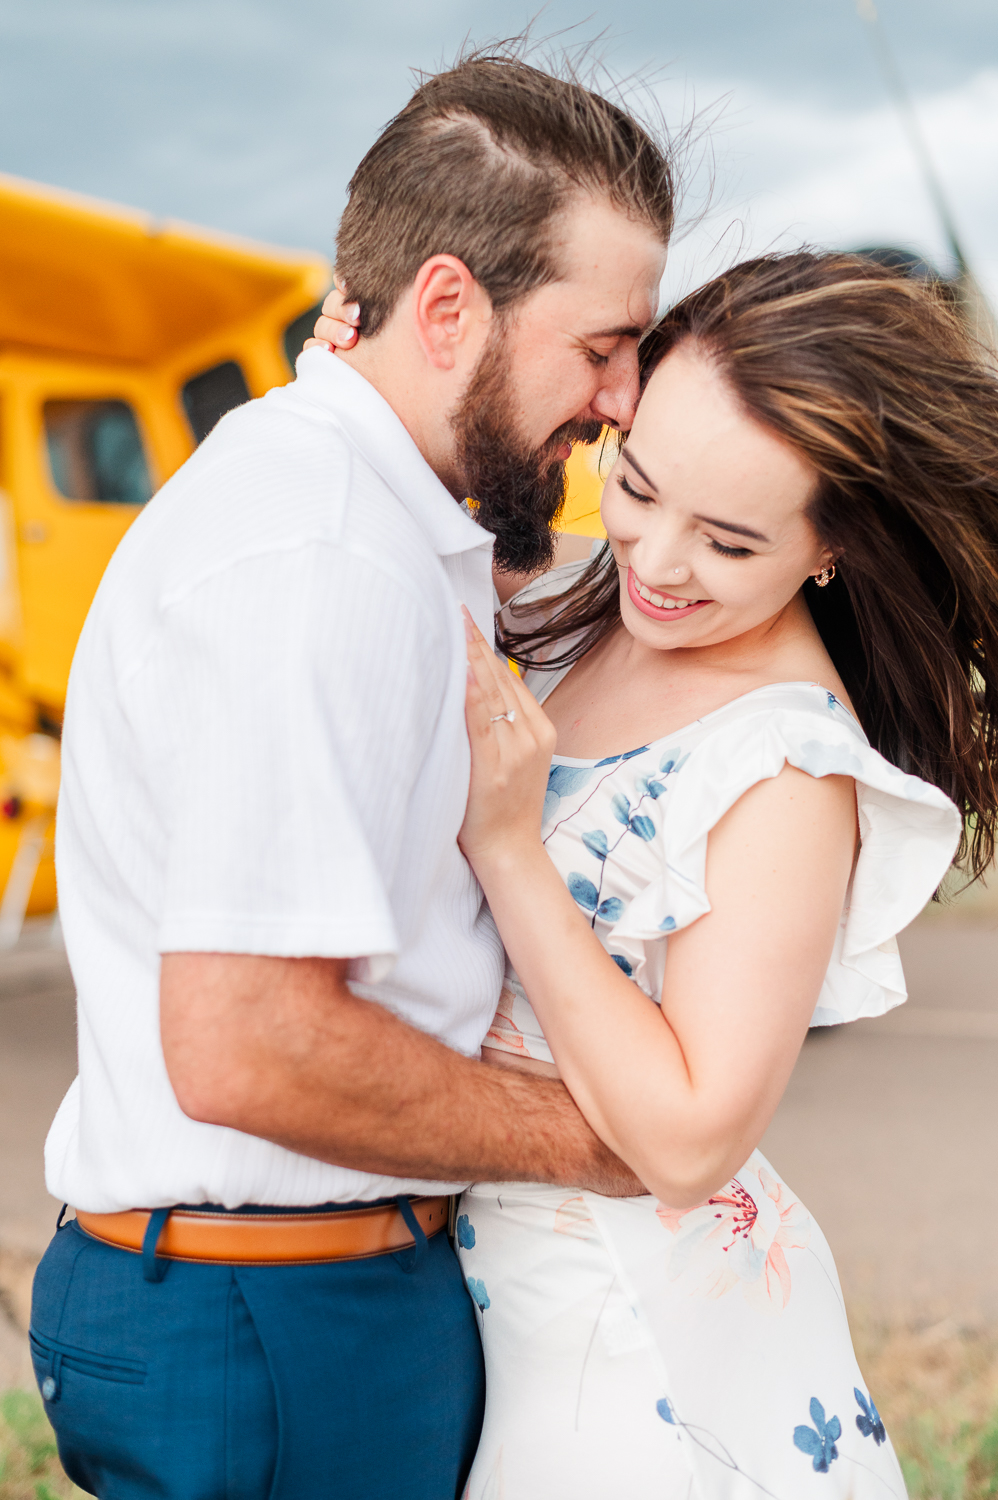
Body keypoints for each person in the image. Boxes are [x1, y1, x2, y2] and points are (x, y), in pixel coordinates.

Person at [30, 48, 674, 1500]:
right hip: (281, 1321)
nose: (623, 398)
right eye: (602, 345)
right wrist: (600, 1141)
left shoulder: (362, 517)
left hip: (271, 1302)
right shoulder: (320, 555)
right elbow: (249, 1040)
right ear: (448, 308)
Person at [452, 251, 998, 1498]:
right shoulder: (592, 594)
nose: (657, 558)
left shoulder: (784, 766)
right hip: (502, 1307)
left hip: (633, 1356)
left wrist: (505, 846)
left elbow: (693, 1139)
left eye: (729, 539)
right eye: (636, 484)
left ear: (828, 548)